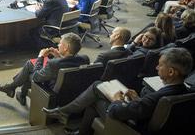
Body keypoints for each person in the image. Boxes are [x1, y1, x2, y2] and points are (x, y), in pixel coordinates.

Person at [43, 47, 193, 135]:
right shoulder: (185, 91)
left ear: (172, 72)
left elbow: (116, 112)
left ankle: (64, 114)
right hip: (142, 117)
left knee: (96, 92)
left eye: (160, 66)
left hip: (132, 127)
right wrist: (138, 100)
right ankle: (75, 125)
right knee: (97, 88)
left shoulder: (160, 96)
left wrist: (117, 101)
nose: (156, 68)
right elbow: (148, 109)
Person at [0, 33, 89, 106]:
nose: (58, 45)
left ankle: (12, 88)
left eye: (60, 43)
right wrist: (58, 56)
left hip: (52, 92)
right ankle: (15, 90)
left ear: (66, 48)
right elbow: (66, 62)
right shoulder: (85, 59)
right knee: (30, 66)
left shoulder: (53, 64)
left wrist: (41, 56)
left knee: (29, 69)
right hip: (72, 92)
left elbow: (36, 77)